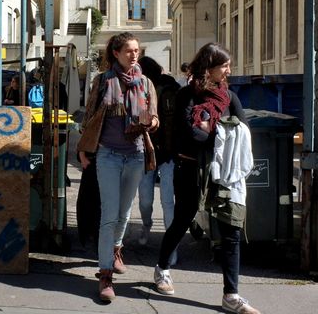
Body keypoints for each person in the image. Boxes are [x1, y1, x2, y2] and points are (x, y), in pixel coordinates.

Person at [153, 43, 260, 314]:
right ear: (208, 67)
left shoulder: (229, 97)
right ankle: (162, 268)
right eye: (223, 65)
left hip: (224, 173)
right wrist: (220, 133)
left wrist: (210, 131)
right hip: (191, 169)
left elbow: (243, 132)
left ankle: (231, 294)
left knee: (231, 230)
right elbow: (188, 133)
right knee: (182, 219)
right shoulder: (186, 95)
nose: (228, 70)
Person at [77, 32, 158, 302]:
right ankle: (105, 275)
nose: (134, 55)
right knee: (109, 215)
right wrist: (83, 150)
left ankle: (116, 248)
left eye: (137, 50)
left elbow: (155, 120)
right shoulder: (102, 81)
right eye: (128, 51)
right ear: (116, 53)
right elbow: (88, 116)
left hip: (135, 155)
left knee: (124, 213)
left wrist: (150, 121)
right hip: (108, 155)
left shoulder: (146, 83)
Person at [136, 56, 180, 266]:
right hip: (147, 153)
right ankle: (146, 224)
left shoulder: (170, 89)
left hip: (168, 154)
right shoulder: (138, 90)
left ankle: (172, 249)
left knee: (167, 202)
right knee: (145, 200)